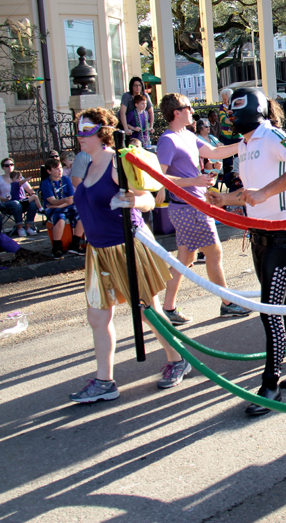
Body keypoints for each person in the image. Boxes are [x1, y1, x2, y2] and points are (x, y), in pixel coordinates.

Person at [208, 88, 286, 416]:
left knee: (270, 310)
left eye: (234, 108)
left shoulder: (270, 135)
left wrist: (266, 192)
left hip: (281, 237)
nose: (230, 114)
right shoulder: (245, 144)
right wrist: (225, 200)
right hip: (258, 237)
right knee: (281, 304)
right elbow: (252, 195)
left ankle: (270, 384)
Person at [68, 107, 191, 403]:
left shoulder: (118, 162)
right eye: (79, 130)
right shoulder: (85, 163)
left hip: (126, 245)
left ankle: (178, 360)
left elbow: (148, 199)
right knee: (98, 316)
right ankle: (104, 381)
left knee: (147, 310)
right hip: (98, 252)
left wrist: (132, 200)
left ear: (101, 132)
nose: (80, 137)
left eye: (86, 130)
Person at [155, 93, 248, 323]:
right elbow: (159, 177)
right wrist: (193, 181)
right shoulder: (168, 140)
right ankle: (227, 302)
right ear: (176, 112)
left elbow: (215, 153)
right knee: (214, 253)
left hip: (193, 205)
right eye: (188, 108)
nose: (192, 112)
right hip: (188, 207)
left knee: (185, 258)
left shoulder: (187, 135)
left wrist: (247, 141)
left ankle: (167, 308)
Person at [41, 157, 86, 259]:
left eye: (60, 168)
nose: (60, 171)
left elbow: (71, 197)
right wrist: (64, 202)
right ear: (49, 171)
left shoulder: (65, 179)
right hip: (52, 208)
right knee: (60, 219)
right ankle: (56, 247)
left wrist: (63, 203)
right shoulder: (46, 183)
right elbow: (52, 201)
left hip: (65, 205)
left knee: (82, 215)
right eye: (56, 169)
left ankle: (75, 244)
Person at [0, 157, 39, 237]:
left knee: (32, 203)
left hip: (21, 201)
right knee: (15, 203)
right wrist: (6, 199)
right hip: (6, 203)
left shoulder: (20, 178)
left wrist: (33, 194)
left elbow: (29, 189)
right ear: (3, 167)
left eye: (11, 164)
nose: (9, 167)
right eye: (7, 165)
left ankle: (28, 227)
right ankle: (20, 228)